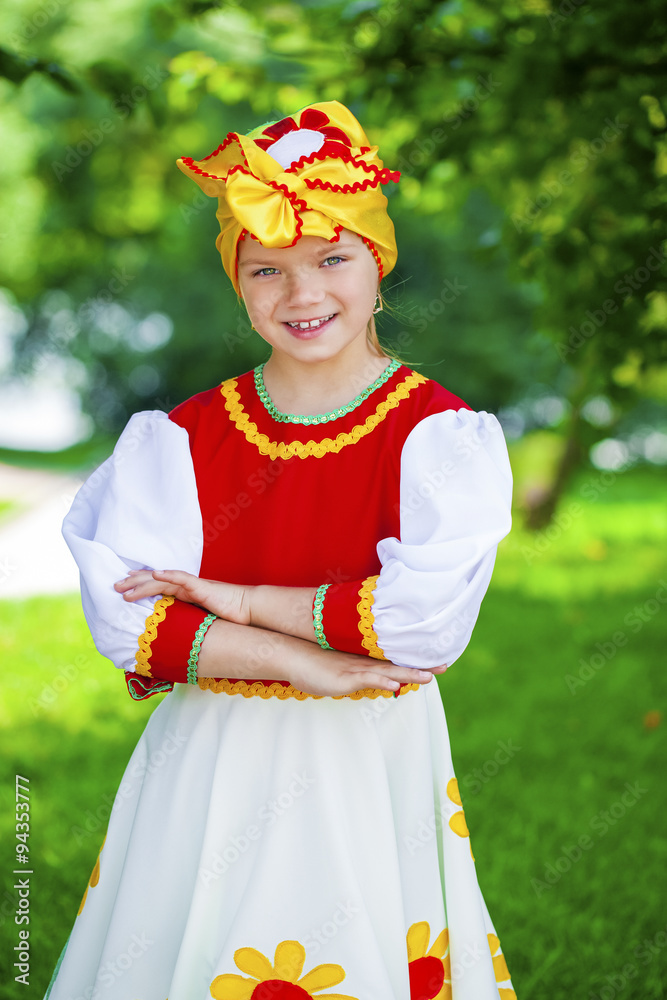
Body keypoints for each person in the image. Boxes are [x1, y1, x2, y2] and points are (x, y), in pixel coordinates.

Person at [44, 100, 516, 1000]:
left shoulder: (437, 435)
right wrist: (314, 665)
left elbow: (418, 630)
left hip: (368, 747)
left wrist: (242, 600)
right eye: (266, 270)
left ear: (377, 266)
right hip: (214, 749)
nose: (302, 296)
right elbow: (130, 621)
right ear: (238, 283)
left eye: (332, 259)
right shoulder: (183, 438)